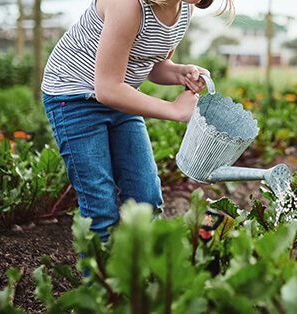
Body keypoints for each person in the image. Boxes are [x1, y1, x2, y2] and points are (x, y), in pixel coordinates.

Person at [41, 0, 235, 241]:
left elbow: (150, 63)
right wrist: (174, 109)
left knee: (147, 198)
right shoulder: (126, 4)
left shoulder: (184, 8)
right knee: (100, 207)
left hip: (120, 96)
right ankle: (102, 277)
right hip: (74, 98)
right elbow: (107, 89)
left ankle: (142, 271)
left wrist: (179, 72)